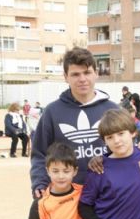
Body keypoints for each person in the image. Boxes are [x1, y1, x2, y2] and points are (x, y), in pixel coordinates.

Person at [30, 47, 119, 198]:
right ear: (66, 77)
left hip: (107, 195)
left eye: (87, 72)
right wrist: (39, 182)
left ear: (96, 74)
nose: (82, 79)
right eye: (75, 74)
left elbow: (129, 150)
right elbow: (39, 154)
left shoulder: (113, 110)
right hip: (67, 197)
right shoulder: (52, 111)